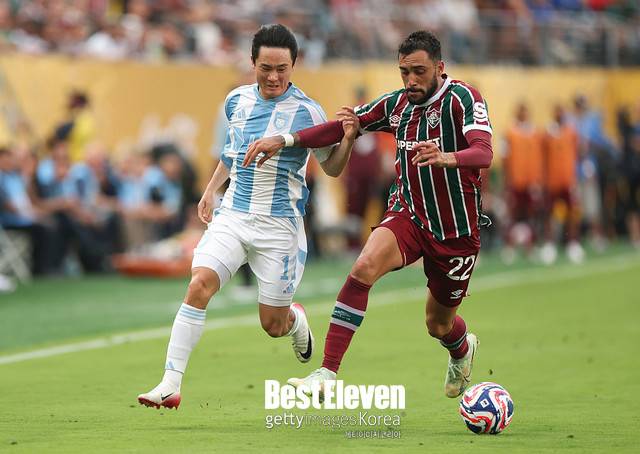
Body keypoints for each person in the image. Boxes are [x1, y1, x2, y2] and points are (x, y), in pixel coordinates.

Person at [244, 30, 493, 399]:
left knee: (438, 324)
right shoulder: (397, 105)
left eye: (419, 71)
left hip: (455, 231)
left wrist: (447, 157)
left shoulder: (463, 98)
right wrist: (285, 140)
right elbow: (342, 128)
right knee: (362, 268)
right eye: (404, 72)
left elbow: (484, 152)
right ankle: (327, 372)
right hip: (409, 214)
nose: (411, 80)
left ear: (439, 68)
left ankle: (461, 348)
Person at [137, 24, 359, 409]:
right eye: (266, 68)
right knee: (199, 284)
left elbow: (332, 168)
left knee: (272, 325)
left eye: (282, 69)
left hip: (280, 227)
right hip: (234, 216)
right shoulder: (236, 101)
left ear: (294, 66)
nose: (273, 77)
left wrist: (349, 140)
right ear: (252, 62)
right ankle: (170, 384)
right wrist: (211, 190)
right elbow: (232, 153)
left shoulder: (308, 112)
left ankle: (294, 321)